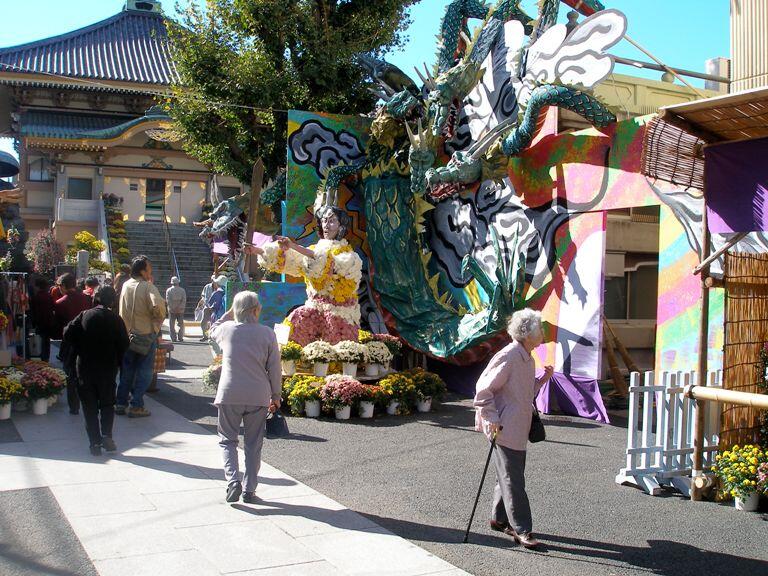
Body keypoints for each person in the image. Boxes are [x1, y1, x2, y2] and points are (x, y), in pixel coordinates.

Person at [473, 309, 553, 550]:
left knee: (507, 475)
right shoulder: (509, 355)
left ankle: (499, 520)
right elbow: (482, 391)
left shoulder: (526, 356)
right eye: (539, 328)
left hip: (518, 427)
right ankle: (522, 529)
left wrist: (542, 380)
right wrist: (492, 418)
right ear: (527, 332)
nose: (542, 332)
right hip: (504, 428)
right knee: (513, 479)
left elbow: (523, 392)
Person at [244, 205, 363, 345]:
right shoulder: (315, 251)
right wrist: (256, 250)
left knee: (336, 348)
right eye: (324, 220)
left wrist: (293, 246)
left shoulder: (350, 257)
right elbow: (294, 260)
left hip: (340, 315)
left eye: (332, 221)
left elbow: (322, 262)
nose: (326, 225)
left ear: (341, 226)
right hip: (314, 309)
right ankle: (283, 360)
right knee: (294, 325)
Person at [210, 291, 281, 503]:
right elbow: (274, 369)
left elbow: (211, 330)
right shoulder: (268, 334)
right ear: (255, 310)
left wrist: (227, 314)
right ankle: (250, 489)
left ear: (237, 310)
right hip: (258, 395)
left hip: (229, 393)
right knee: (253, 444)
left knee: (227, 440)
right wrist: (276, 396)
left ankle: (233, 481)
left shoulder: (227, 329)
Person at [63, 287, 129, 456]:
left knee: (89, 407)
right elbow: (124, 345)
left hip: (85, 367)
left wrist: (79, 345)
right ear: (112, 301)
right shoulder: (116, 319)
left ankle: (94, 443)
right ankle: (107, 434)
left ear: (95, 299)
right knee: (107, 404)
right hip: (107, 369)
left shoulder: (85, 315)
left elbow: (67, 333)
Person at [117, 255, 167, 418]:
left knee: (127, 371)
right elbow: (157, 307)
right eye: (149, 268)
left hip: (127, 334)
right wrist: (157, 322)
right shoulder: (147, 286)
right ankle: (136, 405)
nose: (150, 271)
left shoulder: (126, 285)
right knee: (145, 371)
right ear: (143, 271)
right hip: (145, 334)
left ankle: (120, 402)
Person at [54, 273, 94, 415]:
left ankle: (74, 406)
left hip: (69, 343)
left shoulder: (60, 303)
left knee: (71, 375)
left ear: (64, 286)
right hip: (87, 341)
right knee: (86, 373)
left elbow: (58, 326)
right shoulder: (87, 299)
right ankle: (89, 402)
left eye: (59, 286)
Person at [29, 277, 54, 362]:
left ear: (38, 286)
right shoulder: (49, 296)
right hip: (49, 321)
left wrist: (33, 322)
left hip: (39, 322)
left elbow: (34, 310)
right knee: (46, 340)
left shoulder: (36, 297)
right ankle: (46, 357)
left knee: (40, 339)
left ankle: (40, 355)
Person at [165, 276, 187, 342]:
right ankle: (180, 337)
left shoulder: (168, 290)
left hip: (172, 310)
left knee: (172, 325)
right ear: (178, 282)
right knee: (181, 324)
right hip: (180, 310)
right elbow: (184, 300)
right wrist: (180, 307)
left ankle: (173, 338)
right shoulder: (182, 290)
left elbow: (168, 300)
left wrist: (172, 308)